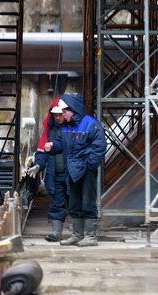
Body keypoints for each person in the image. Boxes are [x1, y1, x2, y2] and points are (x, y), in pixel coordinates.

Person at [44, 93, 106, 246]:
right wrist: (52, 146)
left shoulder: (91, 124)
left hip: (85, 170)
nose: (63, 115)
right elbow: (61, 143)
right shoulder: (66, 127)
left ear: (74, 109)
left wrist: (89, 165)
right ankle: (77, 235)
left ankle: (91, 236)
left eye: (65, 111)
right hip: (72, 170)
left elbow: (100, 146)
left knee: (88, 202)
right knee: (74, 203)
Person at [25, 97, 68, 241]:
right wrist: (38, 165)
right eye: (55, 115)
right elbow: (42, 152)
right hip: (55, 174)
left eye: (60, 114)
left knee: (77, 203)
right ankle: (57, 233)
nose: (58, 117)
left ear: (66, 113)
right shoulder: (48, 132)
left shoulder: (74, 128)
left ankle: (81, 234)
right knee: (56, 203)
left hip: (73, 173)